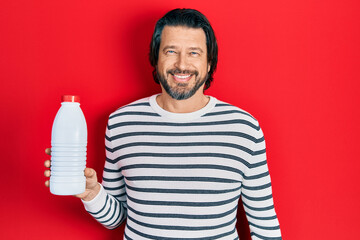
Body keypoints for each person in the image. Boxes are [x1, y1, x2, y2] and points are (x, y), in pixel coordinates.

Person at [44, 8, 282, 239]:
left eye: (194, 53)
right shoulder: (121, 122)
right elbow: (116, 218)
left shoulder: (244, 128)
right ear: (156, 59)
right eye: (170, 51)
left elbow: (265, 225)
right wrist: (91, 193)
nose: (181, 64)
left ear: (209, 62)